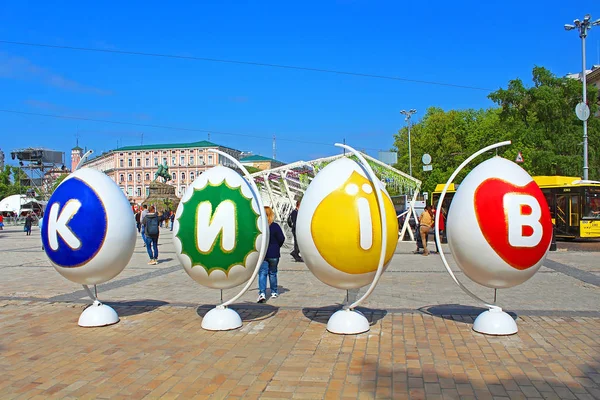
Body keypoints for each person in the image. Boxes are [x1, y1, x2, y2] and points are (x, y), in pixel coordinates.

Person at [258, 206, 285, 303]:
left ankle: (262, 293)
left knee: (262, 273)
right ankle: (274, 292)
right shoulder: (275, 226)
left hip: (263, 254)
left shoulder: (260, 226)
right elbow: (281, 238)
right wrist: (277, 246)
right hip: (274, 253)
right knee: (273, 273)